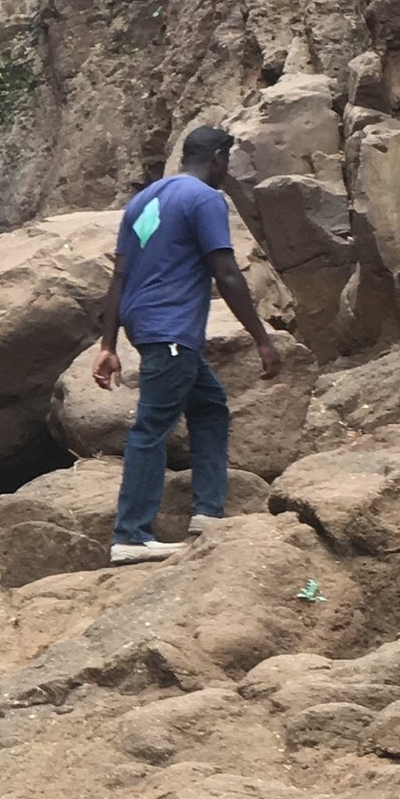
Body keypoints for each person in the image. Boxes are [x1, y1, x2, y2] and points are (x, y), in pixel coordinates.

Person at [92, 121, 283, 564]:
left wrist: (109, 344)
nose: (226, 169)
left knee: (210, 405)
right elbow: (227, 273)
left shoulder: (142, 201)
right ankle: (131, 535)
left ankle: (208, 513)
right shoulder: (204, 198)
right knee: (150, 428)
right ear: (218, 157)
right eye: (226, 162)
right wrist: (262, 338)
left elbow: (119, 276)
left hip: (150, 329)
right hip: (172, 329)